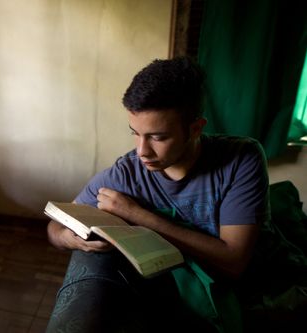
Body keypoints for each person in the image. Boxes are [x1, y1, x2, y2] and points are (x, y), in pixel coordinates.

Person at [45, 56, 270, 332]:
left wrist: (137, 215)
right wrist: (73, 240)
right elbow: (54, 227)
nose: (142, 151)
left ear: (196, 128)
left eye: (158, 137)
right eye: (135, 133)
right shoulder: (124, 174)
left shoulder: (241, 160)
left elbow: (234, 261)